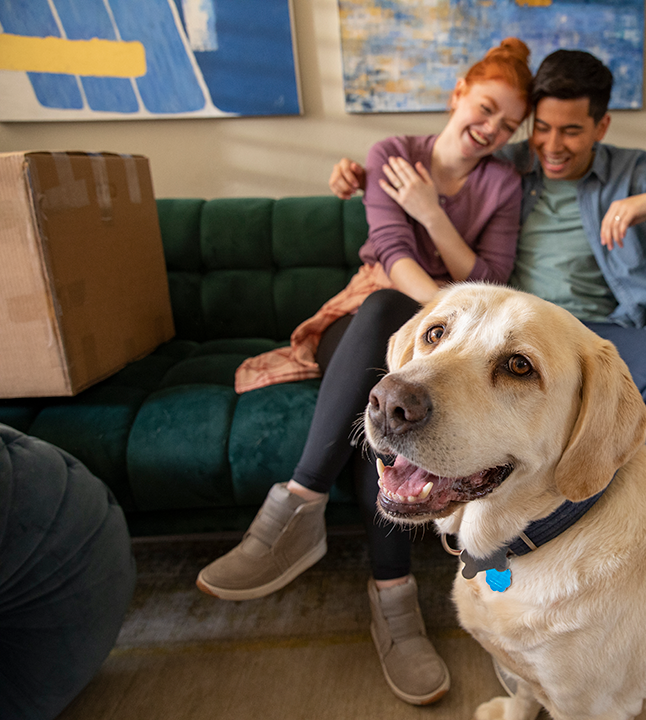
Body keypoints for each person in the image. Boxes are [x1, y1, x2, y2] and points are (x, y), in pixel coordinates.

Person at [195, 38, 534, 707]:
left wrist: (432, 211)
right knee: (385, 308)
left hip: (440, 342)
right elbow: (392, 255)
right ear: (460, 91)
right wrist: (447, 286)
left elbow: (493, 281)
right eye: (487, 107)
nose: (492, 129)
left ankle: (386, 594)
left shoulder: (502, 183)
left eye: (507, 124)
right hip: (364, 321)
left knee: (384, 422)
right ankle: (304, 506)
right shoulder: (389, 156)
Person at [332, 49, 646, 481]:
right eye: (543, 129)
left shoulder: (632, 174)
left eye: (571, 131)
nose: (553, 146)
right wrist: (360, 175)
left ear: (601, 126)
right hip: (514, 331)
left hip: (597, 328)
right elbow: (446, 169)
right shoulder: (508, 167)